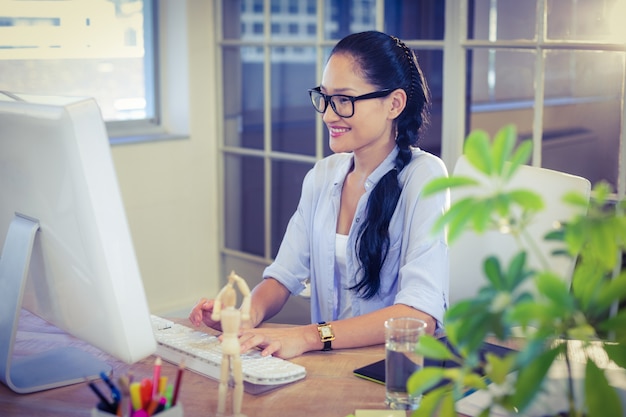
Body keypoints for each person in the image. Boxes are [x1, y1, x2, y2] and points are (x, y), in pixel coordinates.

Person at [190, 30, 449, 360]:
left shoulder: (424, 177)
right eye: (325, 98)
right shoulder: (323, 177)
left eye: (344, 100)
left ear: (393, 104)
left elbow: (419, 315)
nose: (328, 115)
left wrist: (310, 336)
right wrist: (243, 318)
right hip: (329, 367)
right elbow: (282, 277)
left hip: (393, 373)